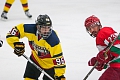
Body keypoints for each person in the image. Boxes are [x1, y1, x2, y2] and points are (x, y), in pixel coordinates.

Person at [6, 14, 66, 80]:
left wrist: (60, 75)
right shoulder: (30, 30)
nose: (46, 31)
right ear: (37, 27)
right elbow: (14, 31)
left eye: (48, 28)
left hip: (51, 66)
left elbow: (58, 58)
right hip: (35, 60)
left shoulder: (53, 40)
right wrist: (15, 43)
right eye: (44, 28)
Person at [84, 15, 120, 80]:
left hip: (117, 66)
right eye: (89, 29)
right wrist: (99, 62)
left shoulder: (103, 32)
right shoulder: (100, 39)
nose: (92, 30)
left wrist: (105, 54)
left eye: (93, 26)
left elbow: (118, 48)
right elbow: (110, 56)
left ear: (99, 25)